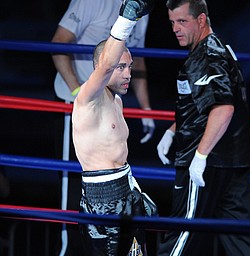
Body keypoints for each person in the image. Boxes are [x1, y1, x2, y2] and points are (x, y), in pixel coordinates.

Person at [156, 0, 250, 255]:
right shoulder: (218, 49)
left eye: (182, 21)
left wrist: (200, 156)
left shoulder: (208, 56)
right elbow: (208, 104)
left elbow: (224, 108)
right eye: (172, 22)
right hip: (231, 160)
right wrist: (173, 130)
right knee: (241, 241)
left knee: (181, 234)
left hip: (208, 160)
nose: (175, 29)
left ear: (201, 20)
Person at [71, 1, 157, 255]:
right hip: (101, 199)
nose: (128, 74)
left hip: (125, 189)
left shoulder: (116, 101)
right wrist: (127, 19)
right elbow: (106, 65)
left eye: (129, 67)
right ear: (101, 68)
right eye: (121, 67)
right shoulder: (88, 99)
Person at [51, 0, 155, 145]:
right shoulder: (92, 2)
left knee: (105, 161)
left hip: (111, 103)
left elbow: (136, 60)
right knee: (73, 164)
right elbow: (59, 42)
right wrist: (78, 93)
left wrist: (146, 109)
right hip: (75, 101)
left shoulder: (141, 8)